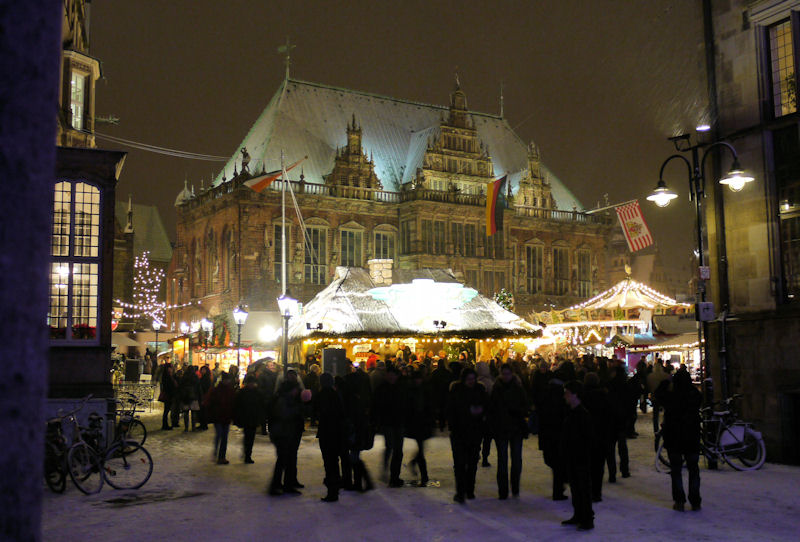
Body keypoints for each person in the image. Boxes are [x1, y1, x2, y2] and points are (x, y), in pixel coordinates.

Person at [655, 369, 702, 512]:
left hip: (674, 437)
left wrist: (665, 382)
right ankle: (695, 500)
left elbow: (657, 395)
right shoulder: (694, 395)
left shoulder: (671, 396)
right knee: (693, 469)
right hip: (692, 437)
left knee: (676, 470)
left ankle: (679, 500)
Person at [446, 367, 488, 503]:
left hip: (475, 432)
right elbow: (451, 410)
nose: (471, 382)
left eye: (473, 379)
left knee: (472, 463)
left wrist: (480, 413)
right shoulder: (456, 391)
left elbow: (487, 406)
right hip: (459, 432)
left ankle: (469, 489)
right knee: (459, 464)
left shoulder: (480, 390)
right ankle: (461, 492)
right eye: (468, 379)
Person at [489, 363, 528, 500]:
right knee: (502, 461)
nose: (505, 377)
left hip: (515, 428)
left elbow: (524, 406)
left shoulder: (518, 388)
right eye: (503, 374)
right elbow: (492, 409)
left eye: (507, 374)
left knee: (516, 460)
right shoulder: (496, 389)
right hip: (502, 429)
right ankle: (503, 490)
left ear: (512, 374)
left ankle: (515, 486)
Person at [561, 380, 594, 531]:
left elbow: (587, 439)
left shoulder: (582, 414)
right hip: (572, 456)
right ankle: (579, 514)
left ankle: (586, 518)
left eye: (567, 393)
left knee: (582, 488)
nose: (565, 396)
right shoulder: (572, 412)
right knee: (575, 487)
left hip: (580, 457)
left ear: (575, 395)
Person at [268, 379, 304, 496]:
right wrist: (297, 410)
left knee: (284, 460)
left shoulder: (283, 398)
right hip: (282, 433)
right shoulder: (284, 400)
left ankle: (279, 484)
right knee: (284, 460)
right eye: (295, 389)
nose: (297, 392)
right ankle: (279, 485)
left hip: (282, 432)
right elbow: (284, 415)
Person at [372, 366, 407, 487]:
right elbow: (376, 406)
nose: (392, 377)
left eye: (394, 375)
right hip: (388, 422)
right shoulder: (382, 389)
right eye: (390, 374)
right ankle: (391, 472)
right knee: (391, 446)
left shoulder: (400, 388)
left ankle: (394, 476)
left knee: (397, 450)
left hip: (398, 422)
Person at [314, 372, 346, 502]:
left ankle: (332, 490)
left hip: (327, 432)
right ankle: (335, 486)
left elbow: (316, 410)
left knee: (329, 461)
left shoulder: (322, 395)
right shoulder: (336, 395)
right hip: (337, 432)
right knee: (334, 460)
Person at [582, 372, 611, 502]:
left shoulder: (582, 396)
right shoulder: (604, 396)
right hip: (601, 435)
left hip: (586, 435)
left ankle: (587, 491)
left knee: (586, 465)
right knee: (598, 466)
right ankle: (596, 492)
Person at [539, 370, 567, 500]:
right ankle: (559, 490)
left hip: (547, 434)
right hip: (558, 435)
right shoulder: (562, 396)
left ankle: (558, 489)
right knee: (559, 464)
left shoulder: (545, 394)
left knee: (554, 463)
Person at [406, 369, 434, 487]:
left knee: (421, 449)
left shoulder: (425, 390)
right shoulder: (414, 391)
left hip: (423, 423)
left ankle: (415, 464)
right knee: (421, 450)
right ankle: (424, 475)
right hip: (418, 423)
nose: (418, 381)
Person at [606, 366, 631, 481]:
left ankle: (612, 473)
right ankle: (625, 470)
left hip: (611, 419)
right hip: (622, 419)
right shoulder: (626, 385)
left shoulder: (610, 384)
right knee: (622, 446)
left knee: (610, 449)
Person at [204, 372, 236, 464]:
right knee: (220, 434)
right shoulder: (217, 390)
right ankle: (218, 453)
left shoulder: (229, 390)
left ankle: (221, 456)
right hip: (218, 416)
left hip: (225, 416)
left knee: (224, 436)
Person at [234, 375, 266, 464]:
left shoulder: (256, 393)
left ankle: (247, 454)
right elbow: (237, 406)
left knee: (250, 437)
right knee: (248, 436)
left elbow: (261, 406)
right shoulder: (243, 393)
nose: (252, 384)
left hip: (253, 417)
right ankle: (247, 454)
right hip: (246, 417)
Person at [476, 361, 495, 467]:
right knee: (487, 438)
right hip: (488, 414)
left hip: (478, 414)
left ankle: (477, 453)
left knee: (478, 437)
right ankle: (485, 457)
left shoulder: (475, 382)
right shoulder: (490, 382)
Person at [429, 357, 453, 431]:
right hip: (445, 394)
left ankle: (441, 424)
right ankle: (443, 423)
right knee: (444, 409)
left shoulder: (434, 372)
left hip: (437, 394)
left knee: (439, 409)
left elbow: (432, 383)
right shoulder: (447, 372)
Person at [159, 362, 176, 430]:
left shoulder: (168, 375)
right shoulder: (166, 376)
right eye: (170, 368)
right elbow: (168, 386)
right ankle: (165, 425)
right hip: (168, 395)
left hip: (169, 394)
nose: (171, 369)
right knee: (166, 410)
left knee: (166, 410)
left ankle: (165, 424)